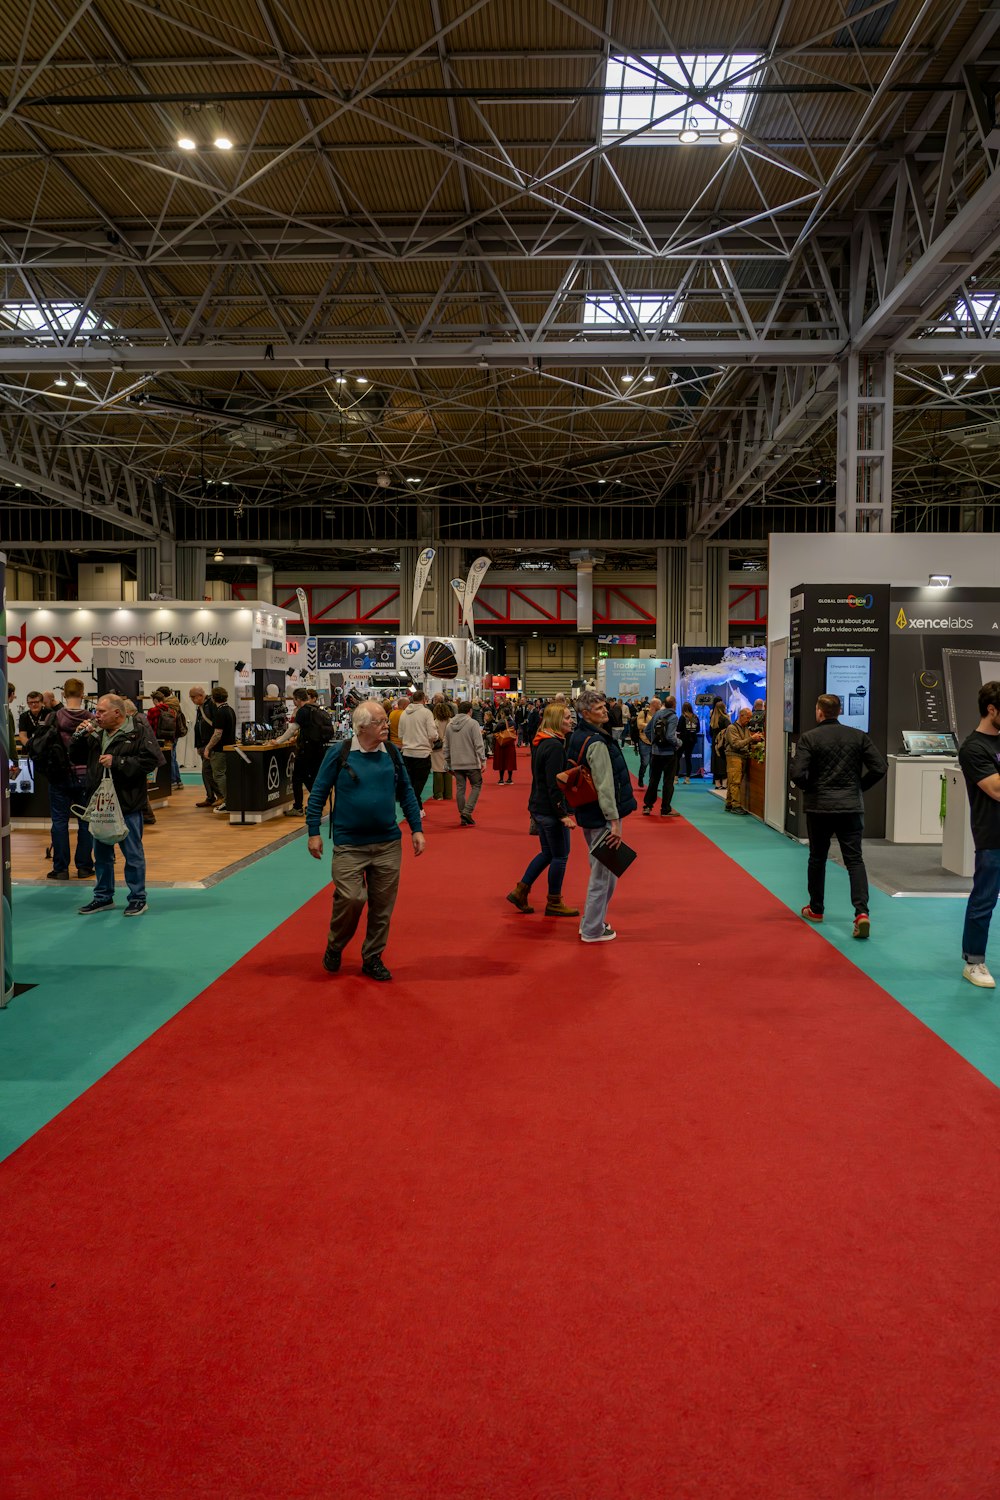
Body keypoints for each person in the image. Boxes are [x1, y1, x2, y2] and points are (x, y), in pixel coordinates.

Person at [306, 699, 425, 982]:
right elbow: (319, 792)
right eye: (380, 721)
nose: (387, 725)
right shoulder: (340, 752)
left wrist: (416, 829)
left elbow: (406, 791)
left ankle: (372, 958)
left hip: (387, 843)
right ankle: (335, 945)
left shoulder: (392, 754)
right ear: (361, 727)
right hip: (349, 844)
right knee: (351, 897)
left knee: (382, 908)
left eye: (385, 721)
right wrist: (313, 832)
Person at [789, 693, 887, 939]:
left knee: (817, 858)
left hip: (819, 807)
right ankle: (861, 913)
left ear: (819, 712)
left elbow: (798, 774)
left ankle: (816, 908)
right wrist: (858, 787)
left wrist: (812, 788)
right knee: (854, 861)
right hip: (851, 806)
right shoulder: (858, 736)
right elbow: (880, 767)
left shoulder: (809, 738)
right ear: (839, 712)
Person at [71, 693, 163, 917]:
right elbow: (75, 756)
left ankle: (138, 898)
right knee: (101, 854)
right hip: (101, 804)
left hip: (127, 803)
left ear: (117, 713)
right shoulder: (96, 732)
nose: (96, 715)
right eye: (96, 711)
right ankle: (103, 897)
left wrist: (119, 762)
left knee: (132, 854)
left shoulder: (138, 731)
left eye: (101, 712)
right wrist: (78, 737)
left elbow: (152, 761)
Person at [566, 689, 637, 943]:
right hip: (602, 817)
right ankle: (593, 930)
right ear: (585, 714)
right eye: (599, 708)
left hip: (589, 813)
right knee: (602, 876)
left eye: (604, 706)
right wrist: (615, 823)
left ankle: (591, 922)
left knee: (607, 871)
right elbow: (605, 785)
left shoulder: (579, 736)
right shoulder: (596, 742)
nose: (605, 710)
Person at [506, 702, 578, 917]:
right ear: (556, 720)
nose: (570, 720)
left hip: (538, 806)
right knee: (560, 856)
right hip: (549, 810)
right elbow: (553, 784)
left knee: (548, 853)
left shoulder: (541, 741)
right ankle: (554, 901)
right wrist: (563, 814)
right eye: (566, 717)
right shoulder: (554, 746)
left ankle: (521, 890)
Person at [958, 680, 1000, 987]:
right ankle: (974, 961)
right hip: (993, 836)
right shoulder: (974, 748)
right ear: (991, 710)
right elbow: (996, 789)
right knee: (984, 898)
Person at [33, 677, 95, 881]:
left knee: (59, 822)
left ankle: (60, 868)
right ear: (83, 693)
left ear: (63, 694)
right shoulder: (90, 719)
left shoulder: (54, 717)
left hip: (59, 775)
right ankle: (85, 866)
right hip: (85, 777)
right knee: (85, 822)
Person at [269, 687, 332, 817]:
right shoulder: (316, 709)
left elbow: (293, 729)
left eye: (294, 699)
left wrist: (279, 741)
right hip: (318, 749)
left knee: (297, 778)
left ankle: (299, 807)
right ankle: (317, 802)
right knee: (313, 778)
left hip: (306, 751)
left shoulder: (303, 711)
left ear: (297, 699)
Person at [444, 701, 486, 825]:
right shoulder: (473, 723)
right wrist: (483, 760)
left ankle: (463, 814)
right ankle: (467, 812)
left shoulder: (449, 725)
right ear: (470, 711)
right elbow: (479, 744)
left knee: (460, 789)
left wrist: (447, 762)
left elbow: (446, 746)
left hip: (456, 762)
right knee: (476, 785)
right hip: (471, 762)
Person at [398, 688, 437, 808]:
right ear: (424, 700)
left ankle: (417, 807)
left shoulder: (404, 713)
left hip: (407, 752)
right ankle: (415, 806)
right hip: (422, 753)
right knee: (419, 784)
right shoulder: (426, 713)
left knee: (411, 783)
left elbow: (400, 735)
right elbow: (433, 735)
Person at [642, 694, 679, 818]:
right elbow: (669, 736)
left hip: (656, 753)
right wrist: (679, 743)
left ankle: (647, 806)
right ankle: (665, 809)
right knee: (668, 782)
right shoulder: (673, 717)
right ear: (674, 705)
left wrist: (653, 742)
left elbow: (647, 730)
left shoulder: (657, 714)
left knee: (653, 780)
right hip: (669, 754)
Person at [722, 708, 762, 815]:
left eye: (750, 717)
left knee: (733, 780)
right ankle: (736, 805)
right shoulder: (731, 728)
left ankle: (729, 803)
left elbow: (744, 742)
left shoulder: (745, 728)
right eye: (747, 717)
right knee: (735, 781)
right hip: (733, 756)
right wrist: (751, 739)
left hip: (741, 756)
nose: (749, 720)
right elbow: (736, 744)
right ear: (741, 716)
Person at [204, 686, 236, 814]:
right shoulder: (230, 710)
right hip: (229, 748)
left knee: (218, 775)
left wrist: (208, 747)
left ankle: (228, 801)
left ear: (213, 698)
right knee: (225, 775)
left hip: (220, 750)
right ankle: (230, 800)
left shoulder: (220, 712)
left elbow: (217, 734)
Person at [189, 686, 220, 807]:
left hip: (210, 744)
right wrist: (198, 745)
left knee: (208, 771)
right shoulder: (201, 707)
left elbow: (216, 726)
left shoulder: (211, 704)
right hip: (203, 744)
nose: (192, 700)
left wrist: (209, 745)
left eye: (193, 697)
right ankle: (210, 797)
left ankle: (220, 796)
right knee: (205, 772)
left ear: (200, 696)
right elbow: (198, 726)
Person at [430, 697, 454, 801]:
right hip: (449, 748)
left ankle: (438, 794)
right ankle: (448, 794)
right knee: (448, 770)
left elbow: (432, 735)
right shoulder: (451, 722)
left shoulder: (434, 722)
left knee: (437, 770)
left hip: (437, 749)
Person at [492, 706, 517, 784]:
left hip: (501, 744)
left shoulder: (501, 722)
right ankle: (509, 779)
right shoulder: (513, 722)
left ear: (503, 714)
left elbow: (495, 731)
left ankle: (501, 779)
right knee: (510, 761)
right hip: (510, 744)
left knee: (501, 761)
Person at [709, 697, 730, 789]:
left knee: (715, 761)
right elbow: (730, 730)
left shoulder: (713, 720)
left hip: (715, 742)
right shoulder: (725, 719)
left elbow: (710, 732)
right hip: (723, 743)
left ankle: (717, 783)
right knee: (723, 762)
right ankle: (724, 783)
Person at [677, 702, 700, 783]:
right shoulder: (695, 717)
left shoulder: (682, 717)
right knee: (688, 758)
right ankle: (687, 778)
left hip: (683, 740)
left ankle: (675, 778)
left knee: (677, 757)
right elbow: (698, 730)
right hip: (692, 740)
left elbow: (678, 729)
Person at [635, 698, 655, 788]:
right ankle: (641, 778)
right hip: (644, 740)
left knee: (653, 764)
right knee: (645, 763)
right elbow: (639, 725)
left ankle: (652, 784)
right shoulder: (643, 713)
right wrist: (651, 725)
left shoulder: (659, 714)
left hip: (655, 742)